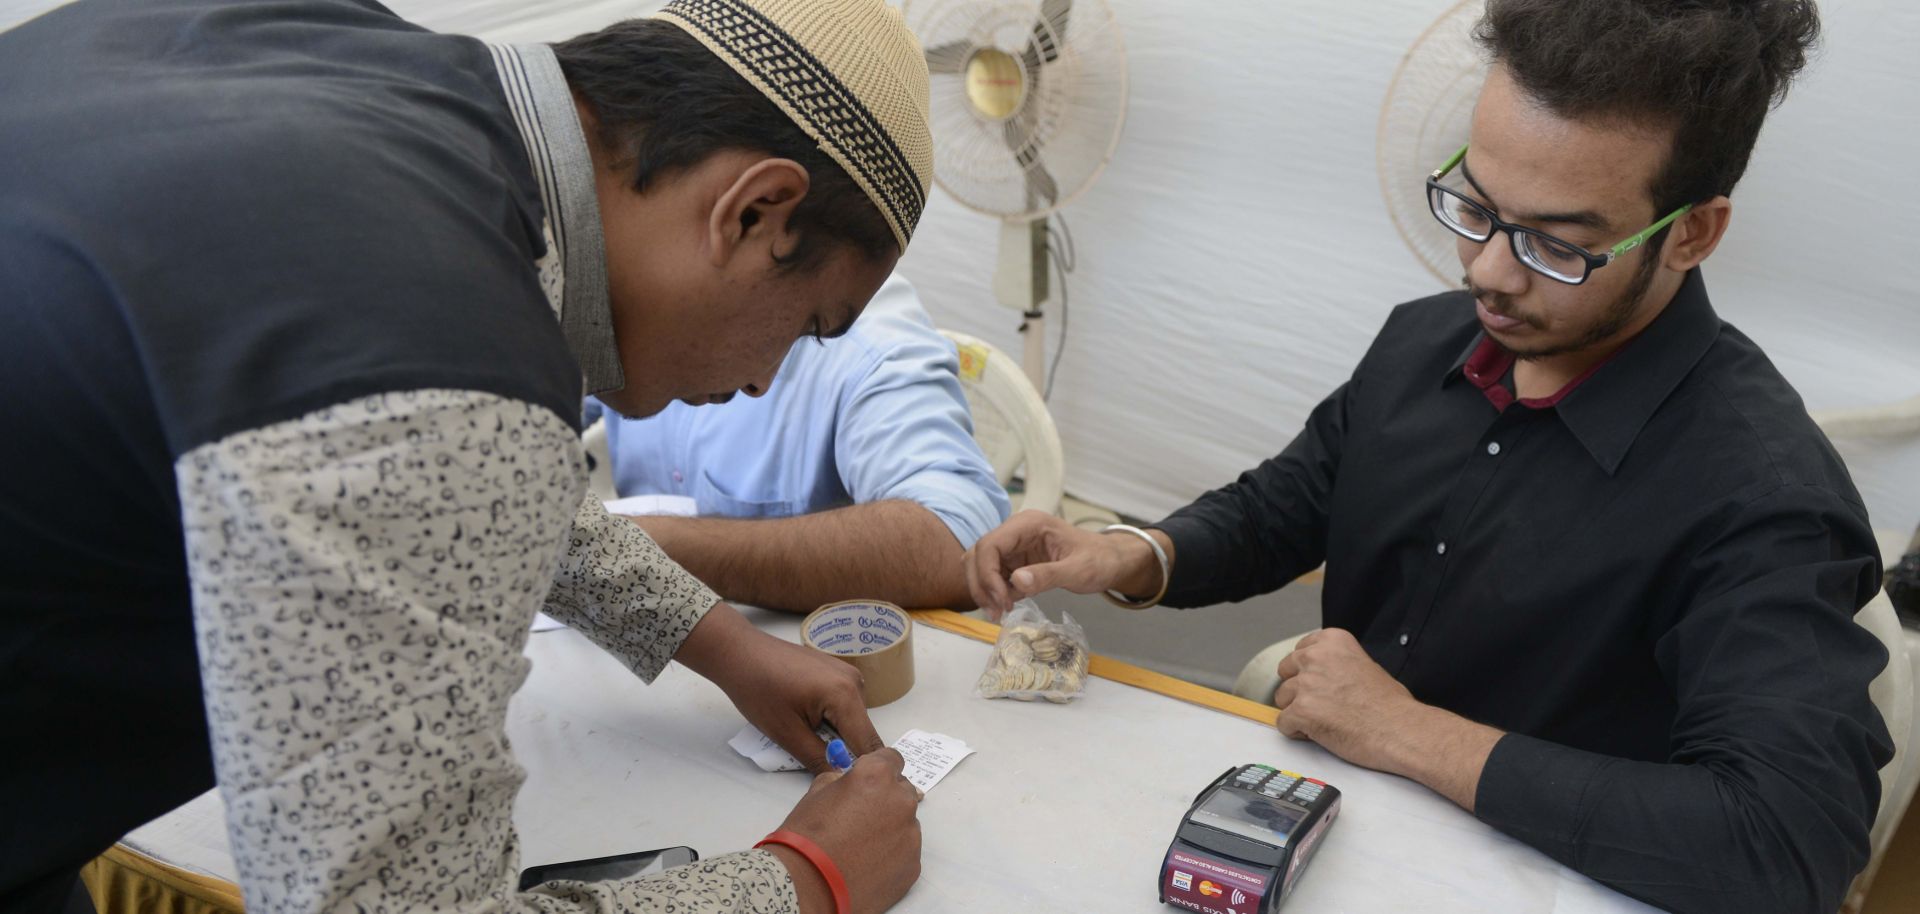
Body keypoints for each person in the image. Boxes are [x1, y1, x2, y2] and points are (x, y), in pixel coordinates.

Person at [0, 0, 935, 912]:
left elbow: (441, 485)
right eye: (809, 325)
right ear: (755, 211)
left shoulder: (300, 40)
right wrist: (810, 879)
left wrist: (721, 643)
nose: (771, 380)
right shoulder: (441, 349)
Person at [964, 1, 1890, 911]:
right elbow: (1286, 505)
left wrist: (1408, 734)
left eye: (1557, 245)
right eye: (1475, 205)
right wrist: (1135, 553)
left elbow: (1785, 841)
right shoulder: (1424, 342)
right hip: (1327, 835)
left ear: (1692, 232)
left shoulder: (1763, 498)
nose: (1487, 269)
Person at [587, 272, 1011, 612]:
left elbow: (962, 543)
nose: (757, 383)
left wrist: (658, 547)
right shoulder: (627, 281)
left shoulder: (869, 345)